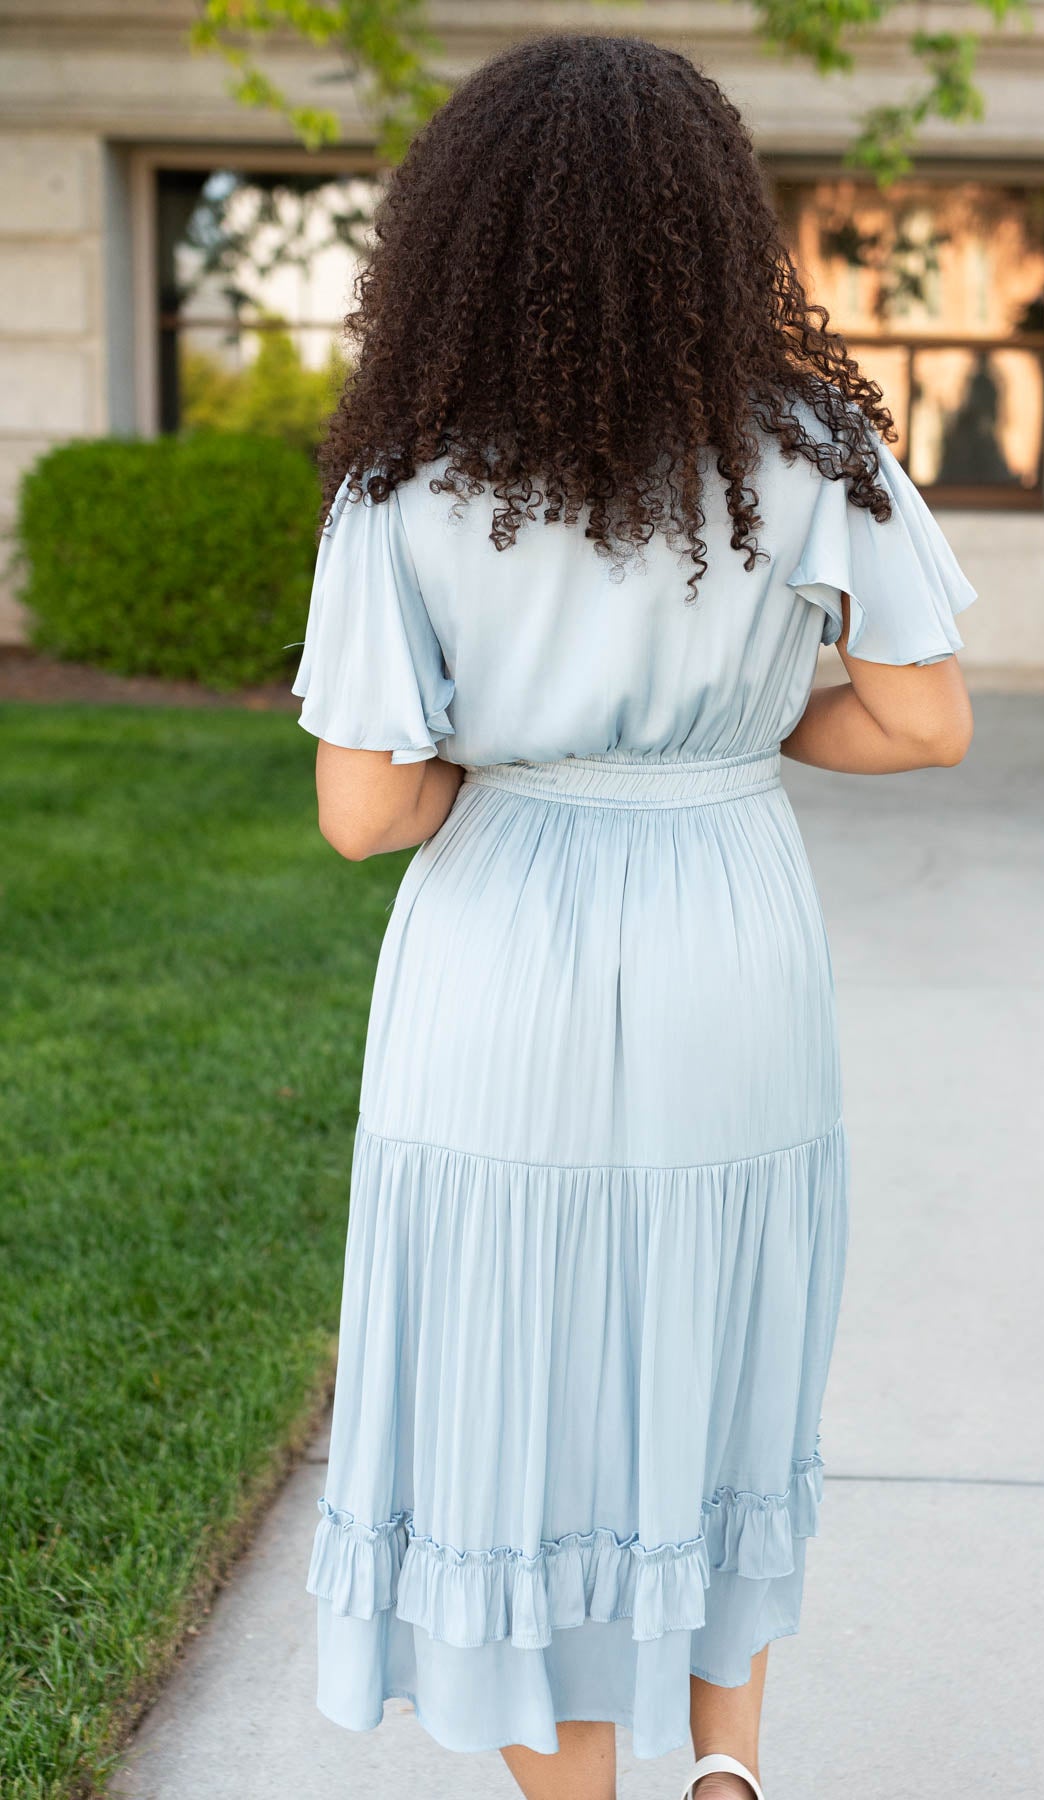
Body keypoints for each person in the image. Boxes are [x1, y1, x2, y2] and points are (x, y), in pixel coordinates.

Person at [292, 31, 976, 1800]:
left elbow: (367, 812)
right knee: (716, 1329)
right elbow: (917, 719)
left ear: (460, 235)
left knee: (518, 1383)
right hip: (728, 934)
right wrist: (735, 728)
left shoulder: (406, 482)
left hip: (503, 949)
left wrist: (496, 756)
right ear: (708, 221)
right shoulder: (814, 442)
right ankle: (727, 1767)